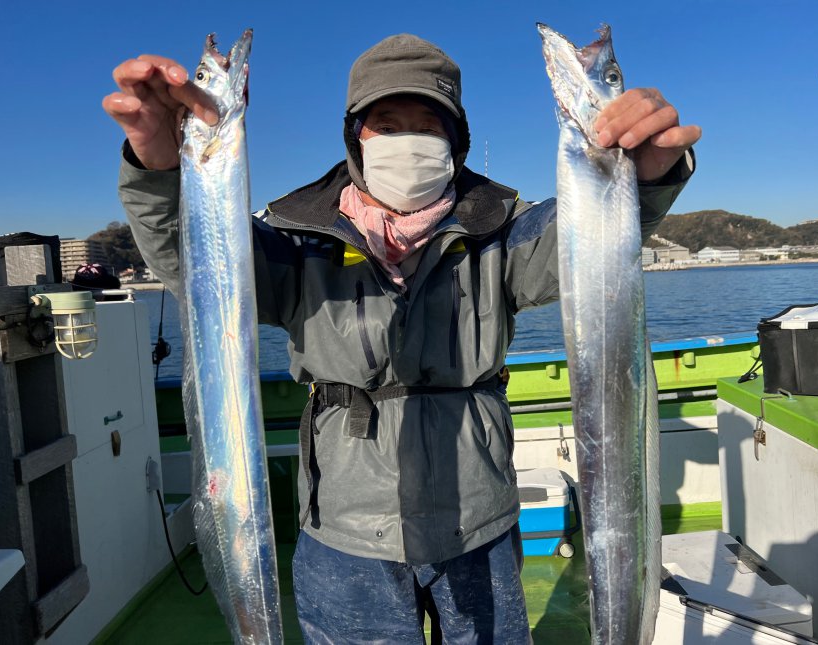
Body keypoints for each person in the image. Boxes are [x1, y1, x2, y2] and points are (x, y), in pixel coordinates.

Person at [104, 33, 700, 643]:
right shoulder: (297, 241)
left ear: (455, 142)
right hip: (343, 530)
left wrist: (640, 178)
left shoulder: (499, 231)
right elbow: (196, 259)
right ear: (356, 138)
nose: (407, 141)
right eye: (387, 126)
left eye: (428, 126)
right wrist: (161, 171)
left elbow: (594, 243)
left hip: (478, 521)